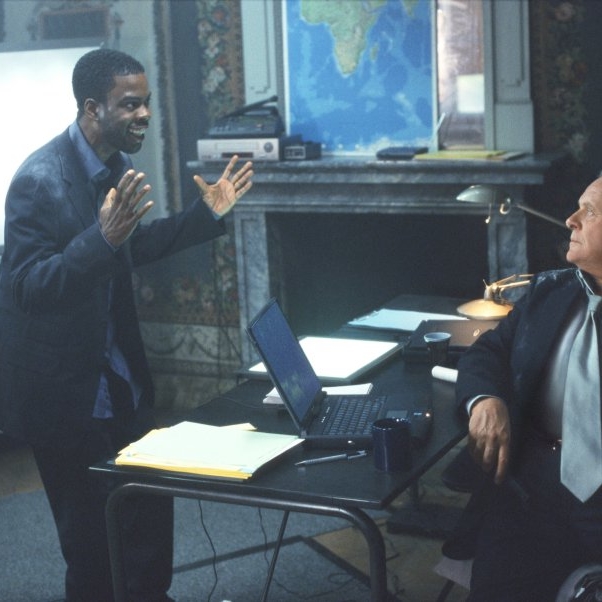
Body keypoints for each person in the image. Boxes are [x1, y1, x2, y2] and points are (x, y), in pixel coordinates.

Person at [0, 48, 253, 602]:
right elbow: (25, 287)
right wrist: (101, 240)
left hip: (119, 381)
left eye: (147, 102)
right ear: (92, 108)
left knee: (148, 513)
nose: (144, 115)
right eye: (131, 105)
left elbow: (131, 246)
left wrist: (204, 215)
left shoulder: (113, 167)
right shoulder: (38, 181)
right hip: (65, 396)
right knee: (91, 547)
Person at [454, 175, 602, 601]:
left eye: (590, 211)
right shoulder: (550, 290)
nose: (571, 220)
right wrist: (485, 401)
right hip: (530, 482)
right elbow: (488, 352)